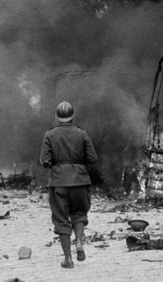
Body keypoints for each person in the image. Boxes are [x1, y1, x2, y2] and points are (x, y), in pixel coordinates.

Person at [39, 101, 98, 269]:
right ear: (73, 116)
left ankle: (68, 259)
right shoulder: (82, 133)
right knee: (79, 214)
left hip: (59, 182)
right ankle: (79, 241)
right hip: (80, 180)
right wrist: (78, 164)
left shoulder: (50, 135)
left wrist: (55, 164)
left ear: (57, 117)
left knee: (61, 219)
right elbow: (93, 158)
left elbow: (44, 161)